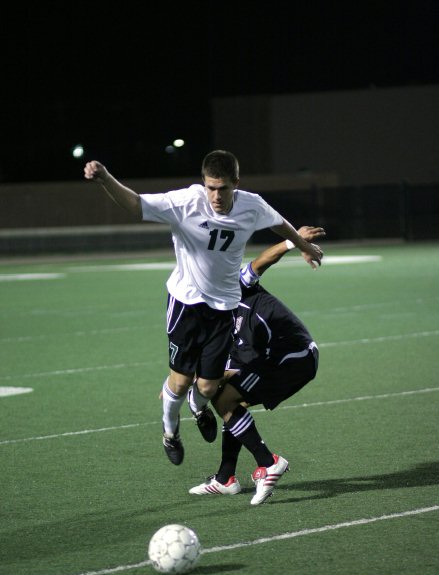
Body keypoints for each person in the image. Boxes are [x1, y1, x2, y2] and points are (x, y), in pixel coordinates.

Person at [84, 151, 323, 466]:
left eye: (222, 188)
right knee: (181, 382)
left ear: (235, 184)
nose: (216, 195)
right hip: (186, 305)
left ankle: (198, 409)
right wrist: (104, 178)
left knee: (208, 386)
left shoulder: (252, 205)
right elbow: (135, 204)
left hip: (223, 309)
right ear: (203, 183)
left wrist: (304, 247)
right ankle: (170, 432)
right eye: (210, 187)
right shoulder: (185, 202)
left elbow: (280, 224)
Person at [189, 225, 324, 505]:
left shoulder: (240, 300)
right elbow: (261, 262)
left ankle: (269, 462)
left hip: (295, 358)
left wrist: (294, 241)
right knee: (226, 401)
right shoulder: (221, 306)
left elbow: (262, 262)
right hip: (272, 357)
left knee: (223, 398)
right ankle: (226, 479)